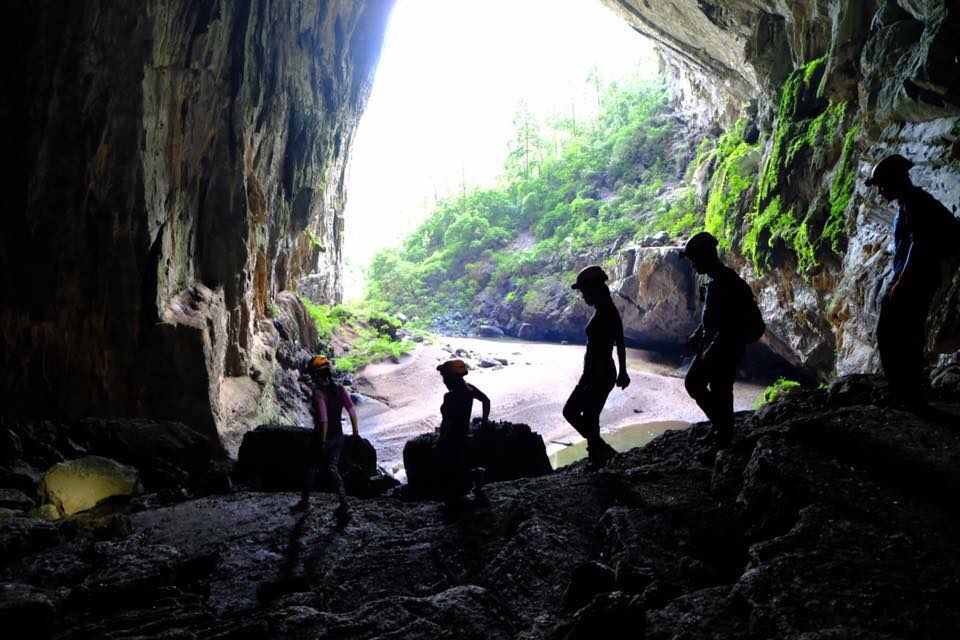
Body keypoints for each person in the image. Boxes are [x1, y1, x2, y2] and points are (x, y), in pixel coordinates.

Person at [868, 154, 960, 407]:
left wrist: (900, 282)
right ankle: (905, 391)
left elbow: (919, 246)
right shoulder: (913, 202)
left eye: (882, 186)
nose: (881, 193)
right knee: (904, 334)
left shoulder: (916, 205)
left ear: (894, 181)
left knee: (894, 334)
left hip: (914, 281)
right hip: (917, 278)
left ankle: (905, 393)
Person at [680, 231, 760, 450]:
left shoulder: (726, 282)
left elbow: (731, 322)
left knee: (720, 391)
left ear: (706, 255)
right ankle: (720, 428)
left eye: (694, 259)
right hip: (713, 345)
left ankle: (723, 438)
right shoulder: (715, 280)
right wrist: (699, 333)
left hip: (725, 348)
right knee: (699, 384)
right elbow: (715, 316)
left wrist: (713, 348)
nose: (693, 265)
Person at [563, 265, 631, 468]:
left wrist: (624, 372)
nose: (583, 296)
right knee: (590, 415)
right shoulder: (605, 310)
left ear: (594, 289)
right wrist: (622, 372)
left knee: (573, 411)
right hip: (598, 372)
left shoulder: (608, 312)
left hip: (598, 373)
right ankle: (597, 453)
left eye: (584, 291)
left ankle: (599, 450)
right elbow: (619, 343)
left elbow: (619, 343)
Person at [291, 355, 359, 516]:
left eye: (313, 374)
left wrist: (322, 441)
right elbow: (352, 411)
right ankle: (344, 504)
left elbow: (323, 419)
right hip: (339, 436)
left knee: (310, 467)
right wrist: (355, 433)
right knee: (332, 468)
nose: (312, 378)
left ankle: (305, 503)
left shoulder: (319, 393)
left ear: (317, 375)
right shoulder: (341, 389)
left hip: (323, 436)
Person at [436, 359, 490, 500]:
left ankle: (473, 480)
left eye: (444, 377)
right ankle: (477, 479)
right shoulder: (469, 390)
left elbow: (448, 420)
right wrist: (485, 421)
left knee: (452, 466)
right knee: (460, 464)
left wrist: (442, 438)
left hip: (452, 436)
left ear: (450, 378)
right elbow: (486, 400)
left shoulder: (450, 397)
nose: (443, 380)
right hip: (464, 433)